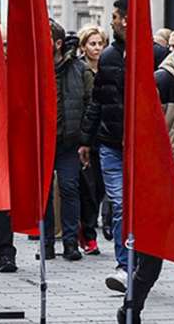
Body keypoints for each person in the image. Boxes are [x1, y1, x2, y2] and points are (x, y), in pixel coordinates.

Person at [119, 30, 174, 323]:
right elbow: (141, 134)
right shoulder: (162, 82)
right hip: (164, 183)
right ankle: (131, 309)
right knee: (151, 258)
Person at [81, 0, 130, 292]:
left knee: (138, 208)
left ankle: (140, 263)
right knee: (121, 203)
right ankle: (124, 266)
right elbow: (97, 102)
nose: (111, 21)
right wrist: (86, 140)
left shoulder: (153, 53)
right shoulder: (109, 56)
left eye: (114, 16)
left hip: (141, 149)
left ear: (125, 19)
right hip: (111, 144)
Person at [41, 19, 91, 261]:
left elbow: (89, 103)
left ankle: (71, 243)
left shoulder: (79, 69)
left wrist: (85, 139)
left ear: (58, 43)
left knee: (70, 188)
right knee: (43, 193)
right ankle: (47, 243)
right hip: (43, 142)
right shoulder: (36, 68)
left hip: (69, 142)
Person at [76, 24, 107, 254]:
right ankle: (87, 233)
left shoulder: (108, 67)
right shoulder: (79, 70)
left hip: (105, 135)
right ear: (83, 46)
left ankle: (88, 227)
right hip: (87, 136)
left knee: (100, 188)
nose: (97, 48)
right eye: (92, 44)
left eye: (99, 43)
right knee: (88, 187)